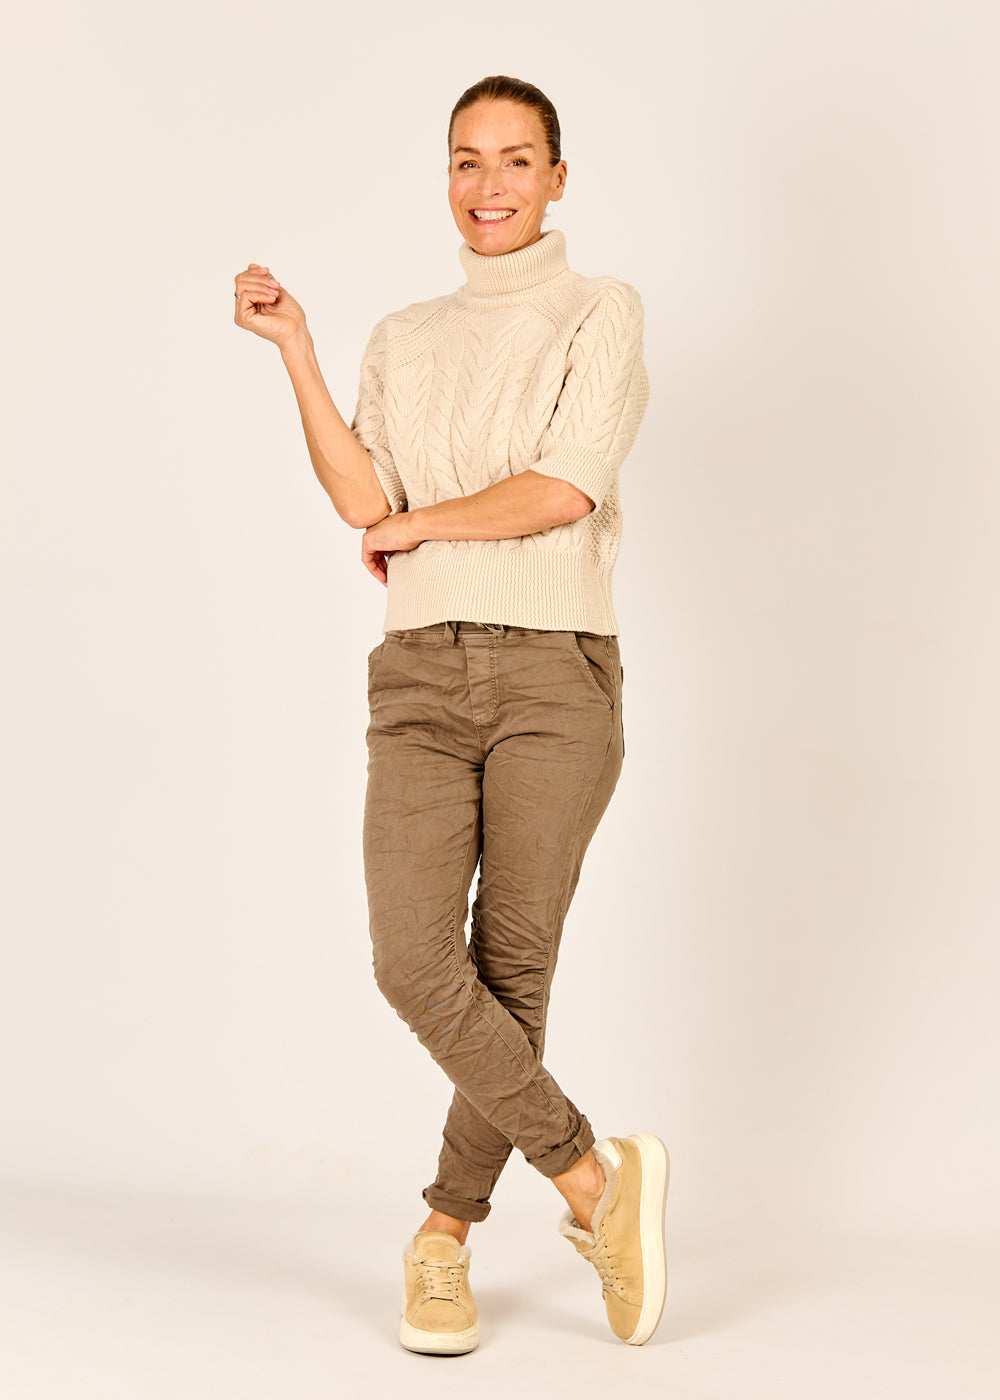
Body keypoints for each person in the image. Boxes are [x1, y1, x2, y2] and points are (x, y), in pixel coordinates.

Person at [233, 74, 668, 1354]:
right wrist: (298, 347)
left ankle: (442, 1233)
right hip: (418, 672)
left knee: (509, 967)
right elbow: (360, 497)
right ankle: (592, 1180)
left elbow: (563, 489)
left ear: (556, 179)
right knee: (414, 960)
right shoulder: (402, 333)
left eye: (516, 160)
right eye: (467, 160)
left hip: (554, 671)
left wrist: (414, 524)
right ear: (447, 178)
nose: (489, 185)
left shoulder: (600, 308)